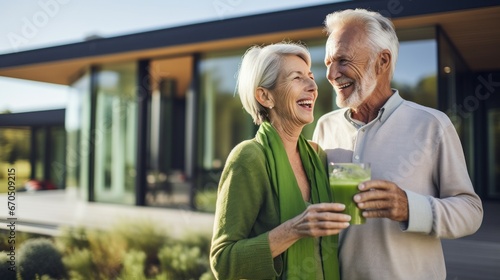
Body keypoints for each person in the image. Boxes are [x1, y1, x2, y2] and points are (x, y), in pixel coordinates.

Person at [312, 9, 484, 279]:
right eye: (327, 63)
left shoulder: (432, 125)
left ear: (382, 61)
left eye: (343, 60)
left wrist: (409, 207)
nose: (331, 74)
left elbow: (471, 212)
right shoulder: (325, 126)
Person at [210, 42, 351, 280]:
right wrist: (293, 229)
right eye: (297, 78)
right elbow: (223, 261)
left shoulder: (317, 157)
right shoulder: (249, 157)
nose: (313, 87)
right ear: (265, 96)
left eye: (310, 77)